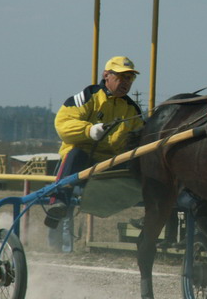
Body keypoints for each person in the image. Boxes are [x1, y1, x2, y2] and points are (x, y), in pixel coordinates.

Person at [46, 56, 143, 252]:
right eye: (122, 77)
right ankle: (59, 204)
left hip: (109, 164)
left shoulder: (132, 109)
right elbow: (62, 124)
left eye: (130, 78)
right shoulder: (88, 96)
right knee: (75, 154)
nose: (126, 83)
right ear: (106, 75)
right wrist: (89, 131)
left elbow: (140, 138)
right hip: (79, 161)